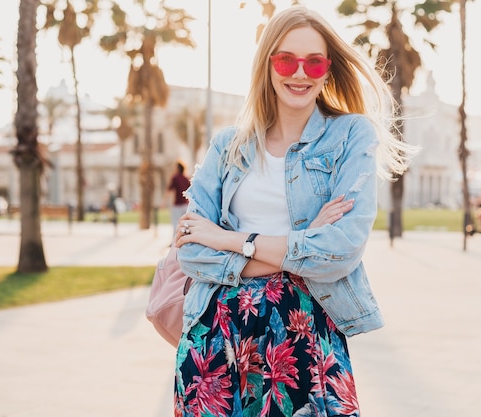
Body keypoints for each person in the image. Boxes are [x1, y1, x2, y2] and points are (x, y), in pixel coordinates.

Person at [173, 6, 417, 416]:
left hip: (304, 335)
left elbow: (338, 251)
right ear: (268, 64)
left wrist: (229, 240)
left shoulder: (350, 135)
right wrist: (295, 251)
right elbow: (191, 251)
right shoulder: (227, 145)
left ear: (328, 69)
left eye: (314, 61)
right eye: (286, 59)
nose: (299, 73)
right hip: (215, 338)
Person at [167, 161, 191, 241]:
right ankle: (185, 240)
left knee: (175, 223)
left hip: (177, 205)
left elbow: (169, 190)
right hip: (185, 205)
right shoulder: (186, 178)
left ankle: (175, 241)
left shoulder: (175, 178)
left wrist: (163, 202)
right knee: (185, 224)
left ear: (178, 168)